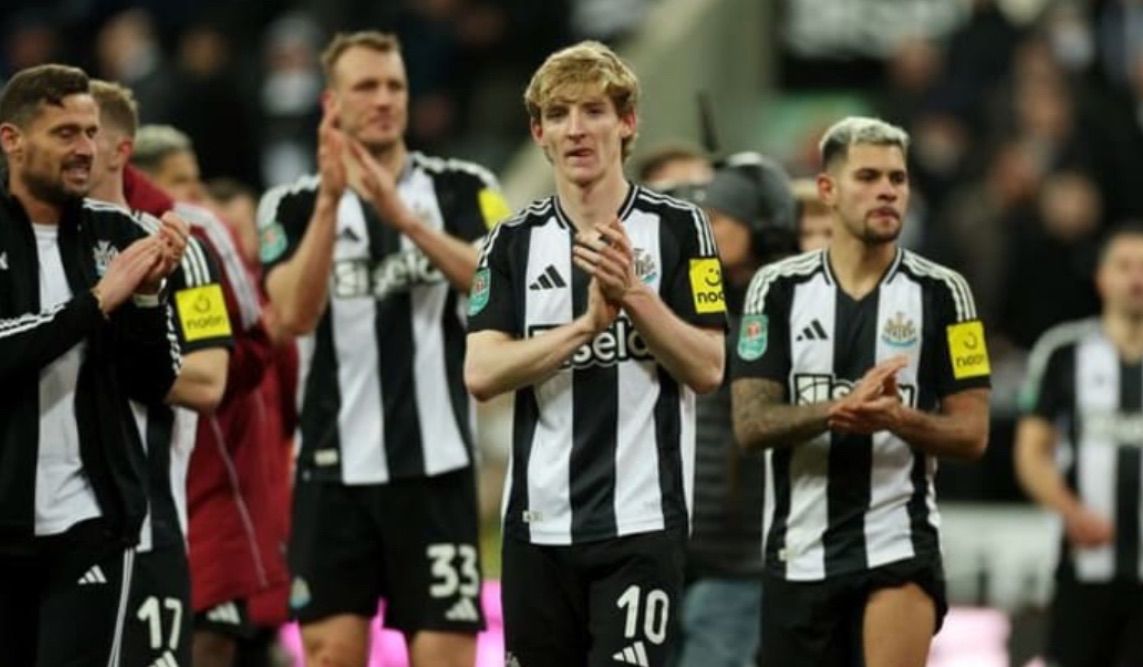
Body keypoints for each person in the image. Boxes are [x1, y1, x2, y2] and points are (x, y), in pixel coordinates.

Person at [465, 40, 727, 666]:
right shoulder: (510, 242)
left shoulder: (682, 228)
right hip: (537, 526)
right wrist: (584, 327)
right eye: (558, 114)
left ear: (627, 122)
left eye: (593, 111)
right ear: (539, 133)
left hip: (642, 523)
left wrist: (633, 293)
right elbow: (482, 372)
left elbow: (708, 367)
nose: (576, 129)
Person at [258, 30, 509, 667]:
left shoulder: (463, 188)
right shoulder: (290, 205)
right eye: (366, 86)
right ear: (332, 104)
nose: (384, 99)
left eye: (395, 85)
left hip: (436, 471)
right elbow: (292, 315)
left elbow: (496, 284)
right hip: (331, 473)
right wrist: (330, 204)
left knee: (446, 659)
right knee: (331, 657)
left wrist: (406, 221)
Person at [730, 116, 991, 667]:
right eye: (868, 177)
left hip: (899, 544)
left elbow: (972, 433)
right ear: (828, 190)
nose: (887, 191)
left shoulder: (945, 293)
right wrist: (837, 409)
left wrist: (897, 418)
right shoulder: (775, 290)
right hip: (798, 551)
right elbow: (751, 425)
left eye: (897, 179)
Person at [0, 63, 187, 667]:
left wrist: (147, 299)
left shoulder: (122, 234)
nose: (85, 149)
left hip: (91, 522)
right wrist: (97, 302)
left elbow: (156, 382)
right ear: (12, 140)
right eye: (65, 134)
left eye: (90, 132)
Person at [88, 78, 236, 667]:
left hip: (149, 528)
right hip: (40, 535)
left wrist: (101, 361)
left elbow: (210, 380)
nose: (71, 148)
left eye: (84, 134)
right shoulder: (30, 248)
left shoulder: (184, 251)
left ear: (119, 150)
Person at [132, 125, 281, 667]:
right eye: (182, 184)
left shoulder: (200, 252)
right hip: (141, 491)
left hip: (212, 488)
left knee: (213, 641)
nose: (196, 199)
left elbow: (253, 350)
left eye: (196, 184)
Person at [672, 155, 797, 667]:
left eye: (720, 218)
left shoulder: (790, 304)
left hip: (740, 553)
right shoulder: (684, 299)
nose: (707, 230)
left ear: (763, 230)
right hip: (672, 543)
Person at [1015, 222, 1143, 667]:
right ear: (1101, 277)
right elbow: (1032, 451)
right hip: (1085, 566)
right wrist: (1071, 512)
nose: (1137, 278)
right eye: (1124, 266)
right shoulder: (1064, 350)